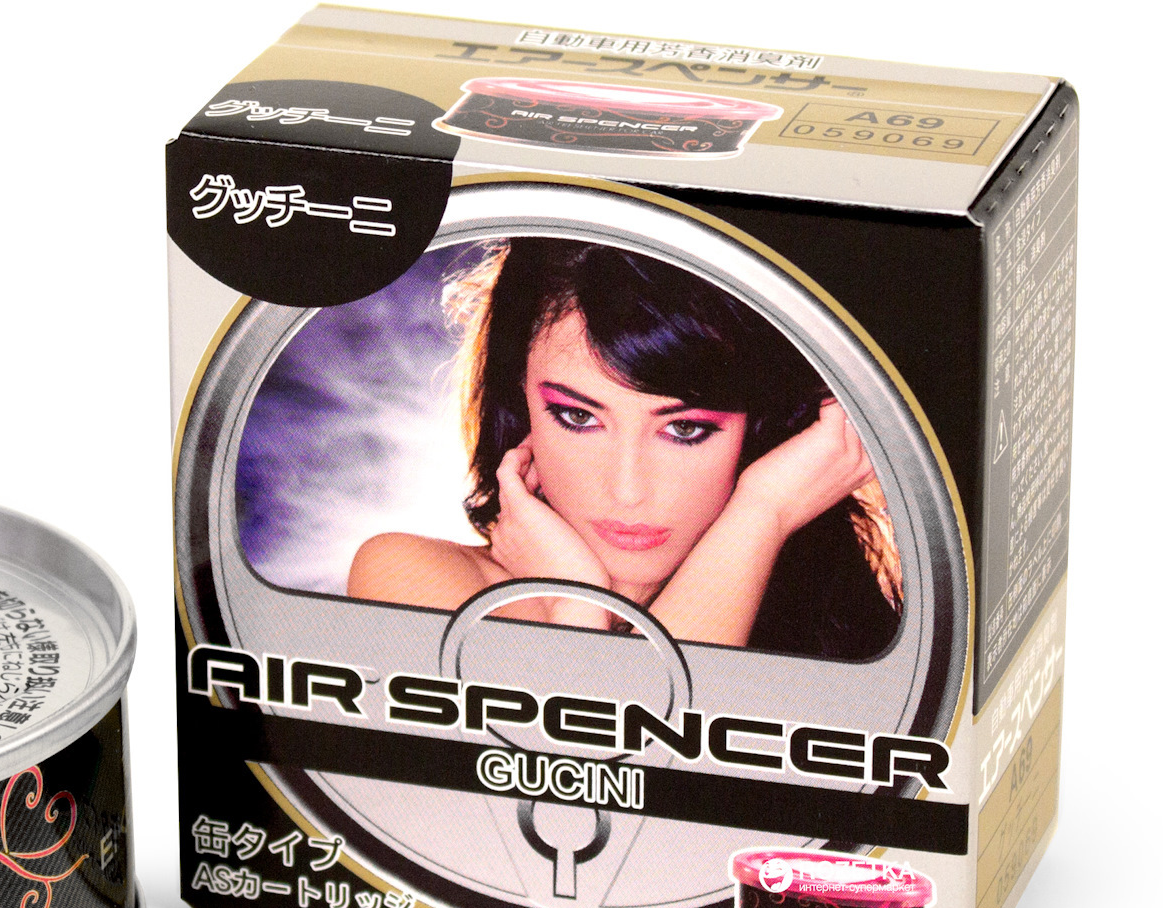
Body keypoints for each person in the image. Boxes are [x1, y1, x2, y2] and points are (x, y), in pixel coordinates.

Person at [346, 238, 901, 659]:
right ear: (521, 404)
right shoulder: (414, 580)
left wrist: (763, 510)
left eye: (685, 429)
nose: (628, 490)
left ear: (762, 429)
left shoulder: (853, 624)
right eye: (578, 417)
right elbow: (614, 766)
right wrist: (577, 604)